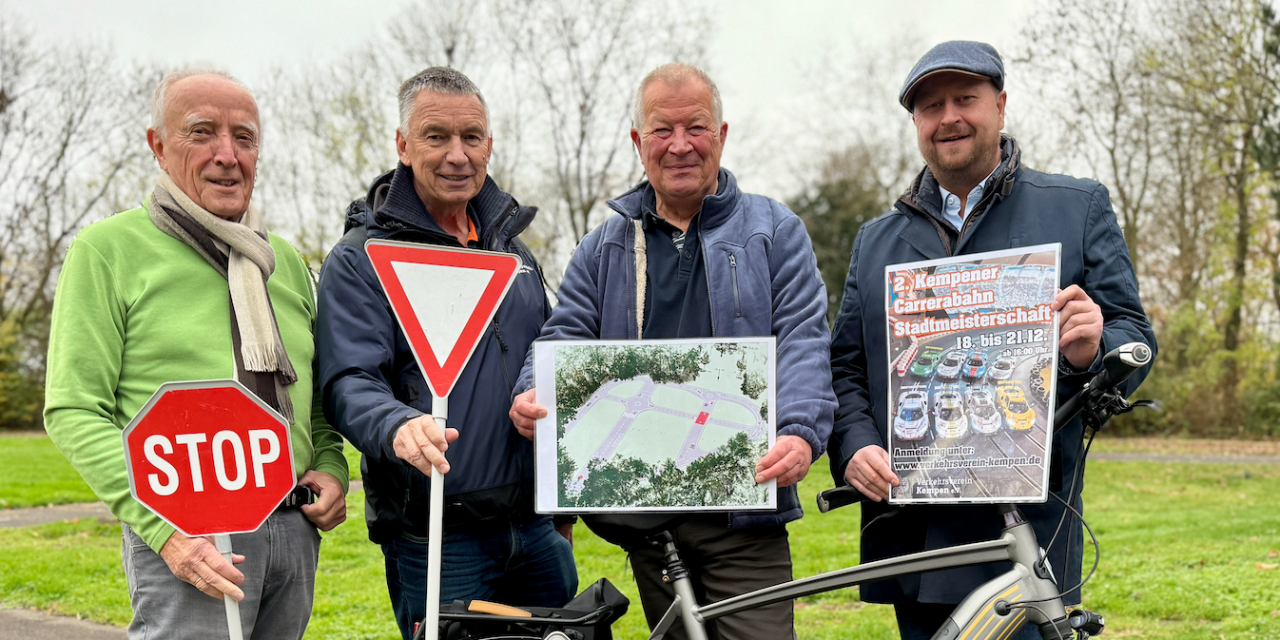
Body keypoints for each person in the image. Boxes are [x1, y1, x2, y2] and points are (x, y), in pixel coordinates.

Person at [827, 41, 1157, 640]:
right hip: (913, 535)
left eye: (965, 99)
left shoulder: (1078, 207)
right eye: (931, 107)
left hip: (1027, 529)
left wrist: (1092, 348)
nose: (948, 117)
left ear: (1000, 106)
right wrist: (854, 445)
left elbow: (1134, 338)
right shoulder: (876, 241)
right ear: (916, 123)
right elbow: (845, 368)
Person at [510, 63, 836, 640]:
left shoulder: (775, 231)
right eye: (662, 130)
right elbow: (564, 335)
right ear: (639, 142)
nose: (680, 145)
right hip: (646, 517)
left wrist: (800, 431)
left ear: (722, 135)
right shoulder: (602, 246)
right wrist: (535, 390)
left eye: (696, 127)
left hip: (744, 515)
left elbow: (803, 338)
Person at [43, 69, 349, 640]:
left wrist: (332, 467)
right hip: (188, 534)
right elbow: (74, 410)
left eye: (244, 137)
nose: (227, 155)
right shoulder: (107, 250)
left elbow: (315, 400)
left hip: (293, 530)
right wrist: (167, 533)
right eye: (202, 132)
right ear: (158, 146)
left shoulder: (283, 260)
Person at [315, 66, 575, 640]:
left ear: (489, 145)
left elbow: (548, 359)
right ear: (403, 145)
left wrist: (561, 508)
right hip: (437, 534)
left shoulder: (515, 253)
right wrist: (396, 425)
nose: (458, 155)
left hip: (535, 529)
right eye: (436, 137)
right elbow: (348, 380)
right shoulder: (361, 259)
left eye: (472, 137)